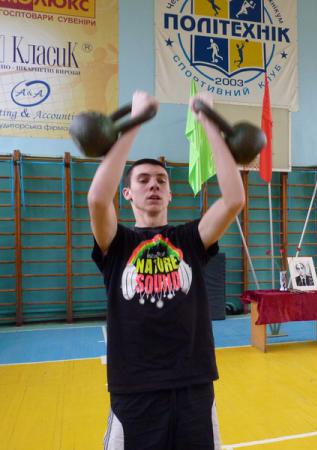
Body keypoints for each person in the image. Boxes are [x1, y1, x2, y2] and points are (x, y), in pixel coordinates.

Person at [88, 90, 245, 449]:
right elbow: (97, 198)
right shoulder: (117, 243)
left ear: (171, 194)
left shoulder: (190, 238)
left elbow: (234, 199)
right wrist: (136, 120)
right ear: (127, 194)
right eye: (142, 180)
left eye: (161, 180)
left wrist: (207, 120)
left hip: (193, 385)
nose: (154, 185)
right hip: (135, 389)